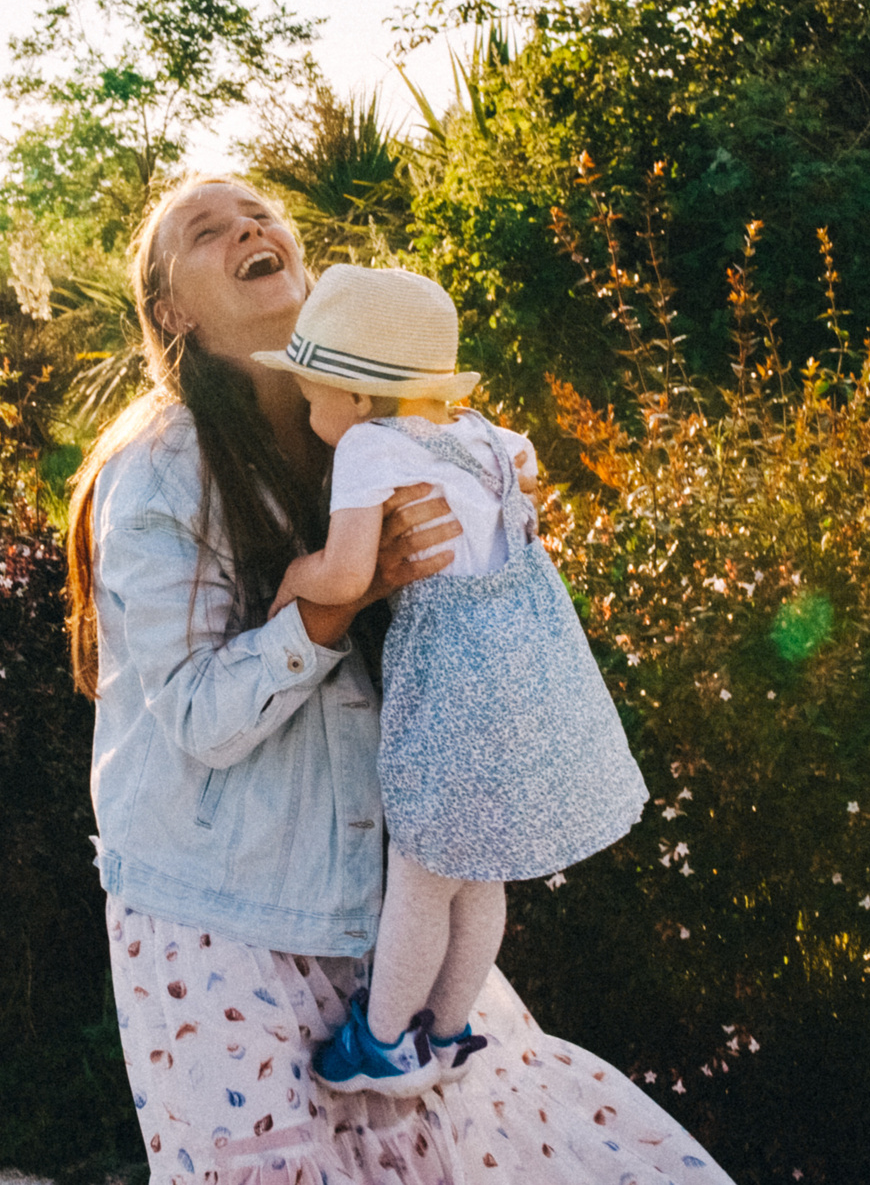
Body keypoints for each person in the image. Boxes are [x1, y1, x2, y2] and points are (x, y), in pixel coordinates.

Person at [67, 176, 731, 1185]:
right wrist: (337, 595)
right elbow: (200, 716)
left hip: (371, 890)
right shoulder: (159, 472)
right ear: (172, 312)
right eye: (210, 230)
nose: (252, 225)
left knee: (478, 1154)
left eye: (263, 214)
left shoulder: (386, 434)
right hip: (214, 905)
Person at [257, 265, 649, 1097]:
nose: (305, 409)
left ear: (357, 398)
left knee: (424, 872)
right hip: (533, 685)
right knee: (481, 872)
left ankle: (385, 1042)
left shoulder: (369, 447)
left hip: (453, 691)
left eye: (311, 393)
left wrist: (293, 578)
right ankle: (452, 1025)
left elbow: (350, 572)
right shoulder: (496, 441)